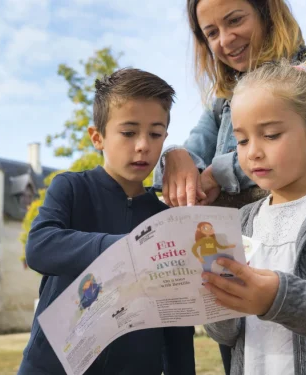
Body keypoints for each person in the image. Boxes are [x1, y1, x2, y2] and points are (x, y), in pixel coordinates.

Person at [17, 68, 196, 375]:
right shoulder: (70, 187)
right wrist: (127, 248)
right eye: (128, 133)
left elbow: (176, 323)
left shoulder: (167, 218)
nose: (142, 145)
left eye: (155, 134)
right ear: (97, 137)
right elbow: (39, 247)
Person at [202, 58, 306, 375]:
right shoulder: (240, 221)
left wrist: (276, 298)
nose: (252, 151)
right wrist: (217, 299)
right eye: (241, 140)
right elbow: (224, 335)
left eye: (269, 135)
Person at [153, 0, 306, 208]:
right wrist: (174, 156)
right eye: (212, 33)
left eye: (234, 20)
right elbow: (193, 152)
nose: (225, 40)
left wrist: (218, 173)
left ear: (266, 13)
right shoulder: (223, 102)